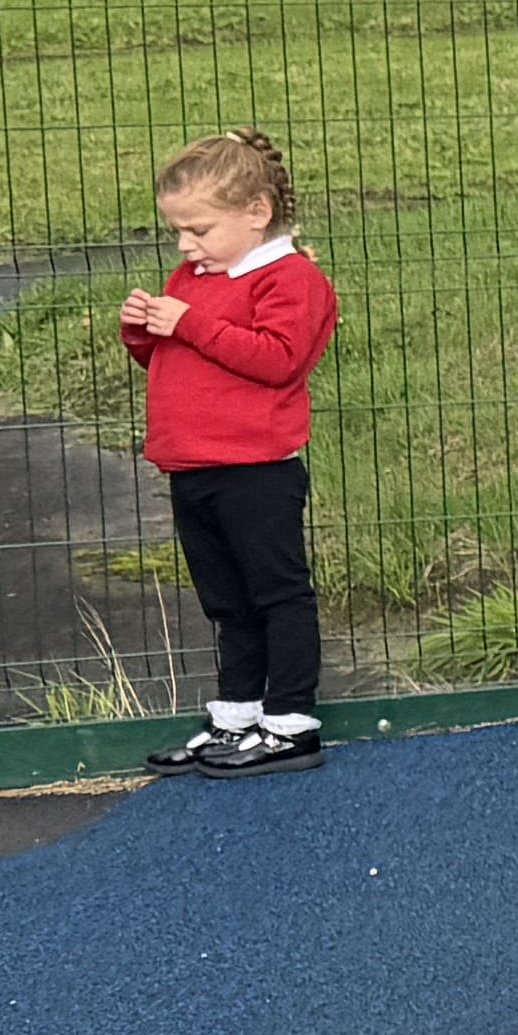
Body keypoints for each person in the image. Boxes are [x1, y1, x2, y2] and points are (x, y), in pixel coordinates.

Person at [121, 128, 340, 775]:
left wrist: (186, 321)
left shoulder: (291, 279)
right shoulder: (194, 276)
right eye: (179, 233)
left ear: (257, 213)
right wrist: (144, 331)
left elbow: (277, 360)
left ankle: (291, 722)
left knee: (278, 594)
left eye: (199, 230)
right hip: (193, 466)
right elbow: (172, 358)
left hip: (257, 471)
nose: (187, 246)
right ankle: (237, 716)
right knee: (227, 601)